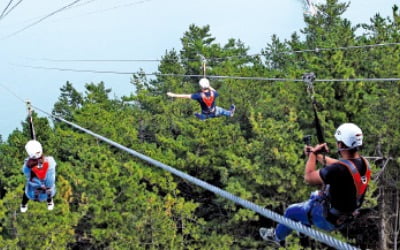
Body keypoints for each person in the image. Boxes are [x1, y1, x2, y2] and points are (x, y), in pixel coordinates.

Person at [259, 123, 371, 246]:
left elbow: (308, 177)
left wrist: (312, 155)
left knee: (291, 211)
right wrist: (316, 155)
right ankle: (303, 228)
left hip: (328, 219)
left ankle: (275, 237)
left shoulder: (338, 170)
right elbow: (341, 165)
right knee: (314, 195)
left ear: (341, 144)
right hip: (346, 217)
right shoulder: (363, 163)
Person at [167, 78, 235, 120]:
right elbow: (215, 91)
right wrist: (209, 86)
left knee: (202, 114)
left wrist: (173, 95)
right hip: (214, 112)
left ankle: (203, 117)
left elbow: (185, 96)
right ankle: (229, 113)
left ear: (201, 87)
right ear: (208, 85)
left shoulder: (199, 95)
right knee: (220, 110)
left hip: (205, 113)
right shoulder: (213, 93)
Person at [20, 140, 56, 213]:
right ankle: (49, 202)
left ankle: (24, 205)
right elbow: (45, 160)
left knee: (27, 186)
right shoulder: (51, 161)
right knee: (49, 182)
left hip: (31, 194)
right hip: (49, 193)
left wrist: (29, 160)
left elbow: (25, 169)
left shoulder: (27, 167)